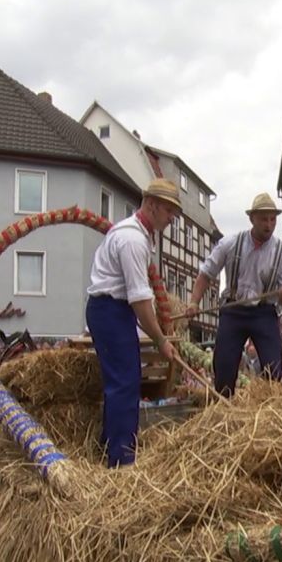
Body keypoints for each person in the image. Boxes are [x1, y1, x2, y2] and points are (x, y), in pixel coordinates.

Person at [87, 178, 181, 468]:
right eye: (168, 210)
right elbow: (140, 300)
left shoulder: (135, 234)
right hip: (111, 311)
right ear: (151, 205)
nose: (172, 218)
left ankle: (109, 446)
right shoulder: (133, 240)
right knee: (125, 383)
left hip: (112, 310)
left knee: (121, 381)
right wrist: (161, 340)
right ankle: (121, 460)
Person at [188, 192, 282, 397]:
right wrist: (194, 302)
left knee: (274, 368)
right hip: (233, 310)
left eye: (272, 219)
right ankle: (223, 404)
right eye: (263, 219)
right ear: (252, 218)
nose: (269, 225)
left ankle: (275, 407)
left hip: (264, 312)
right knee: (224, 365)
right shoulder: (230, 244)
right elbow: (206, 274)